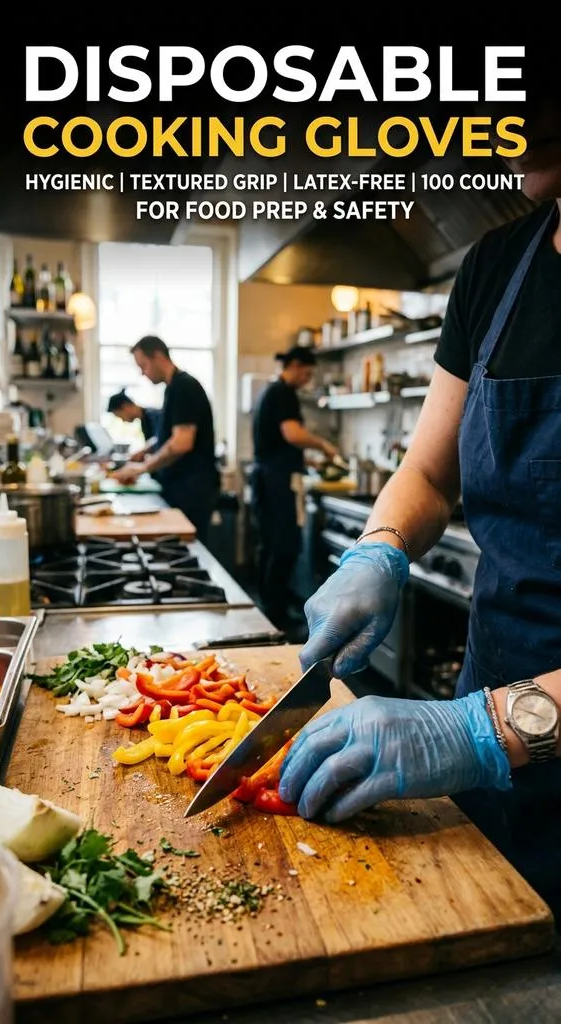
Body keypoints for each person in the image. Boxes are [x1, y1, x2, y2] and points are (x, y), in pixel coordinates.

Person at [278, 76, 561, 923]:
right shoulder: (496, 268)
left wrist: (482, 729)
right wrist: (382, 545)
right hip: (493, 756)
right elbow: (429, 474)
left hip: (501, 730)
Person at [251, 345, 339, 630]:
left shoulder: (271, 390)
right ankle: (275, 615)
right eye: (308, 373)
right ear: (297, 366)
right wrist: (323, 445)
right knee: (283, 545)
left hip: (268, 478)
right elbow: (292, 433)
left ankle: (271, 607)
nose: (307, 380)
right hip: (277, 482)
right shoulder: (283, 392)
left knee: (272, 546)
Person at [111, 336, 218, 542]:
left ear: (158, 356)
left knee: (187, 555)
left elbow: (181, 443)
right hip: (182, 486)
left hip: (191, 489)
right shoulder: (173, 388)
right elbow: (167, 435)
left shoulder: (184, 387)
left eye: (144, 365)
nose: (143, 373)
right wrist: (145, 451)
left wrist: (143, 468)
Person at [106, 390, 161, 458]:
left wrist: (143, 451)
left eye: (120, 416)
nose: (123, 420)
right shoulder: (143, 419)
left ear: (125, 407)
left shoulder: (154, 415)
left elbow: (159, 439)